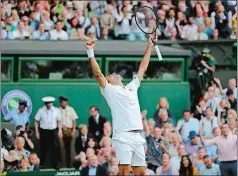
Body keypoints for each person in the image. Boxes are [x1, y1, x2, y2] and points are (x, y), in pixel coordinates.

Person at [86, 37, 154, 175]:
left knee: (141, 172)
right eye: (110, 75)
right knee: (124, 172)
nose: (112, 74)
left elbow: (143, 67)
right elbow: (98, 74)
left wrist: (150, 45)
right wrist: (90, 52)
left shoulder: (132, 87)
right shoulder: (109, 90)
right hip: (122, 136)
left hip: (137, 135)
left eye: (112, 73)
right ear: (109, 82)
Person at [34, 96, 62, 170]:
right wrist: (37, 132)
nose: (48, 105)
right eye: (47, 104)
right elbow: (36, 121)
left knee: (55, 148)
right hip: (44, 131)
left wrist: (60, 130)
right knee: (43, 148)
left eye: (49, 104)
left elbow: (59, 121)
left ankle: (55, 164)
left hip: (53, 131)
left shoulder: (56, 110)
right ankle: (42, 164)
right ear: (45, 104)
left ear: (52, 103)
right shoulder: (40, 110)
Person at [58, 96, 78, 168]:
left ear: (66, 102)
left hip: (69, 130)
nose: (62, 103)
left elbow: (74, 120)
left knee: (68, 148)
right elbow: (58, 121)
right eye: (61, 102)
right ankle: (60, 164)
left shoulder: (71, 109)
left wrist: (73, 130)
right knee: (60, 148)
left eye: (64, 102)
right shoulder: (58, 110)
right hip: (61, 130)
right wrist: (60, 131)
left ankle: (69, 165)